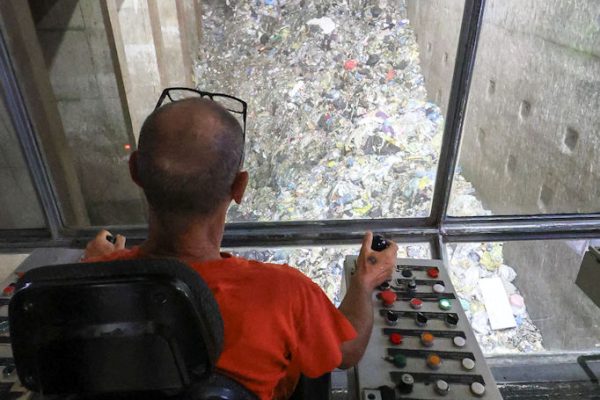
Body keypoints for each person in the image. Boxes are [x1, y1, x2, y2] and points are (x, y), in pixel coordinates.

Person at [83, 95, 398, 399]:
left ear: (135, 170)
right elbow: (349, 351)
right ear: (239, 187)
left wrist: (101, 266)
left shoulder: (83, 287)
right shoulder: (285, 294)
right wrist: (364, 283)